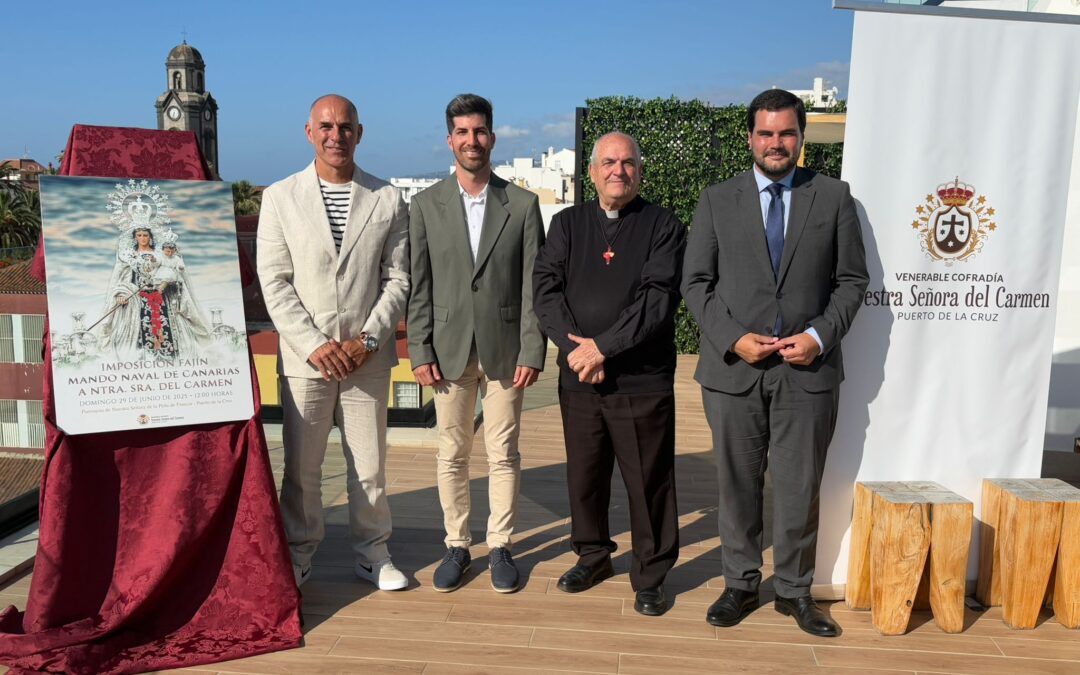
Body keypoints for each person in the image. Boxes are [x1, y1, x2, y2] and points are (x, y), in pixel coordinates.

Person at [682, 89, 868, 637]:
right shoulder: (717, 200)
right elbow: (696, 284)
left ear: (800, 137)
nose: (775, 143)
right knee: (737, 484)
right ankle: (740, 584)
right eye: (765, 133)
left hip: (808, 374)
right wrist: (733, 338)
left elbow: (852, 282)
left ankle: (793, 591)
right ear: (750, 138)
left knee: (799, 485)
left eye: (786, 133)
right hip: (733, 373)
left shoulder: (833, 198)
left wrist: (818, 335)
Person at [257, 94, 410, 591]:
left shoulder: (388, 198)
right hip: (308, 362)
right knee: (303, 469)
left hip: (366, 358)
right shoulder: (280, 197)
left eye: (345, 126)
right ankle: (298, 555)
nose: (335, 135)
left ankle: (373, 554)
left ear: (359, 133)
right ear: (309, 132)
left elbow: (398, 279)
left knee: (369, 465)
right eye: (326, 126)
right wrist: (314, 344)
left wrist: (366, 340)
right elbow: (274, 281)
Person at [533, 132, 684, 616]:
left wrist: (603, 348)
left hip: (641, 378)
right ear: (593, 171)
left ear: (640, 170)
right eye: (609, 162)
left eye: (628, 163)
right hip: (579, 375)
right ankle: (593, 555)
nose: (618, 171)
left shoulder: (663, 225)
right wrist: (578, 352)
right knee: (585, 474)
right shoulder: (567, 224)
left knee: (648, 479)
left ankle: (651, 573)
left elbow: (657, 299)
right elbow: (546, 290)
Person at [407, 93, 545, 593]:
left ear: (492, 136)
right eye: (462, 132)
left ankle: (502, 544)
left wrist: (533, 348)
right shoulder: (424, 206)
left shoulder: (523, 205)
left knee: (503, 450)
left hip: (507, 348)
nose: (472, 140)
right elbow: (418, 284)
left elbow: (535, 286)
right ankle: (457, 545)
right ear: (450, 140)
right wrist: (419, 349)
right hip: (446, 349)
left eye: (480, 131)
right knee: (453, 450)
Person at [99, 226, 173, 359]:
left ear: (150, 237)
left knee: (163, 327)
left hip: (160, 297)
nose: (142, 238)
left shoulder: (159, 254)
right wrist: (121, 294)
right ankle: (143, 358)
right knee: (140, 328)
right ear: (135, 237)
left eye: (145, 235)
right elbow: (121, 278)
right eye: (139, 235)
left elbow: (171, 272)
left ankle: (166, 357)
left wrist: (164, 283)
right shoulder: (129, 256)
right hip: (138, 298)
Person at [153, 239, 212, 355]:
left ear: (174, 251)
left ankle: (161, 288)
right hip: (161, 275)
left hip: (171, 276)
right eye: (167, 251)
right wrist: (153, 260)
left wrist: (180, 268)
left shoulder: (176, 259)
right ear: (164, 250)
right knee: (163, 278)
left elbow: (180, 265)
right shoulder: (162, 257)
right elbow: (157, 262)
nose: (169, 253)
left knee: (168, 277)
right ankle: (159, 288)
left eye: (171, 251)